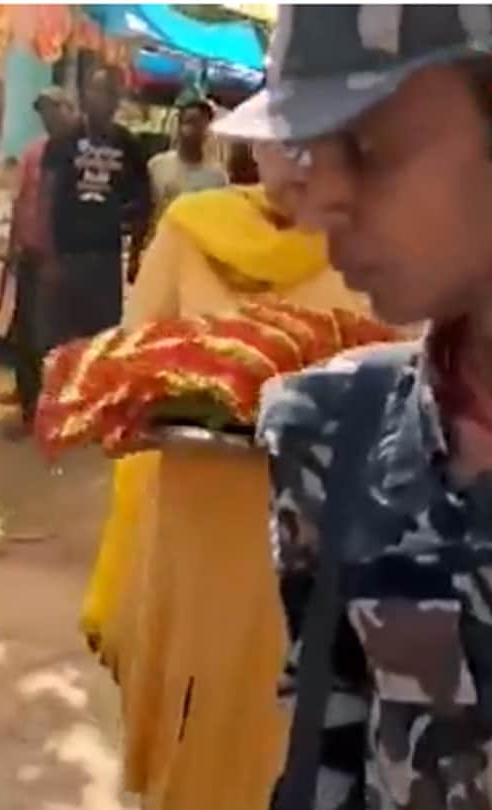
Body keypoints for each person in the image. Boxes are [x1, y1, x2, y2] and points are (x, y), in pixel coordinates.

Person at [212, 5, 492, 807]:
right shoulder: (330, 436)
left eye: (369, 145)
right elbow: (329, 748)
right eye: (312, 151)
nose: (320, 202)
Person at [77, 140, 373, 810]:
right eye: (281, 145)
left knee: (270, 693)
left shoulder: (369, 233)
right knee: (213, 684)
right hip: (216, 504)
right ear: (254, 151)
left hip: (284, 513)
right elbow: (131, 356)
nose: (294, 162)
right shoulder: (191, 225)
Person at [39, 64, 150, 346]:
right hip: (67, 258)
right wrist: (49, 257)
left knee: (101, 342)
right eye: (94, 89)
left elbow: (142, 201)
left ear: (116, 100)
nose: (98, 97)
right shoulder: (63, 141)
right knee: (62, 343)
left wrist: (135, 254)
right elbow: (46, 197)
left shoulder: (128, 144)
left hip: (106, 260)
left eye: (107, 92)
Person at [4, 87, 75, 431]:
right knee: (26, 336)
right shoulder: (34, 152)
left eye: (52, 110)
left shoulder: (78, 154)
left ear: (68, 110)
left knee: (55, 338)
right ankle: (29, 410)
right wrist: (12, 247)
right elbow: (22, 201)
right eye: (42, 112)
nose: (47, 118)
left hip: (61, 261)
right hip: (30, 256)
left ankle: (55, 413)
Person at [146, 93, 228, 225]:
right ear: (179, 127)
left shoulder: (218, 177)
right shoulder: (156, 166)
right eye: (190, 122)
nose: (195, 130)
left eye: (201, 125)